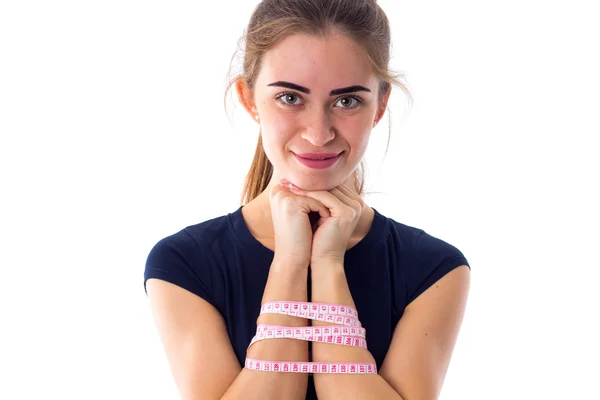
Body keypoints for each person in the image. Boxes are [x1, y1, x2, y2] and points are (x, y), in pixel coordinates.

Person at [143, 0, 471, 399]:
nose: (319, 133)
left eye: (347, 100)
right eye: (290, 98)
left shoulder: (433, 270)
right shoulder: (185, 264)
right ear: (249, 99)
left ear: (380, 105)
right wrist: (290, 262)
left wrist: (328, 266)